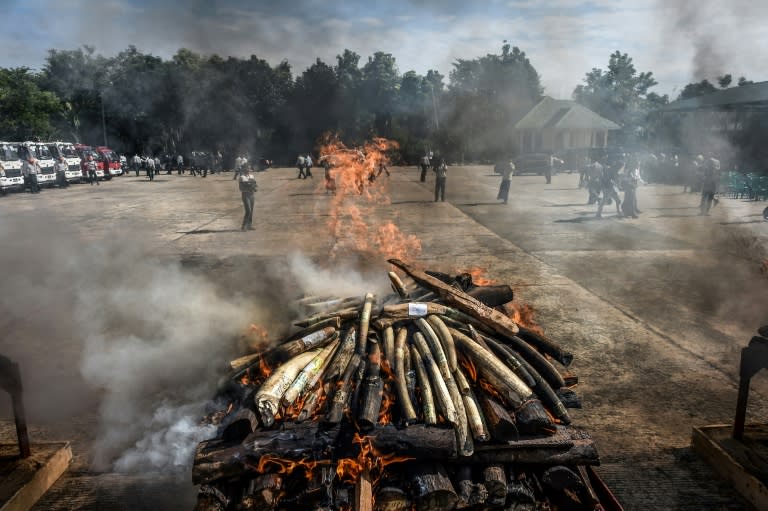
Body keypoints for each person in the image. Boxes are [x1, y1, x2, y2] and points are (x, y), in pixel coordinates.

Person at [238, 166, 258, 231]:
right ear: (244, 169)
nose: (248, 170)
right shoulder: (242, 177)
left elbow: (255, 184)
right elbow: (241, 188)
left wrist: (254, 187)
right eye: (247, 169)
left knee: (251, 210)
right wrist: (249, 186)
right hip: (245, 194)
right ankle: (243, 226)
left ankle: (249, 225)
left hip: (252, 194)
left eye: (249, 169)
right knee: (248, 210)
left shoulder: (252, 176)